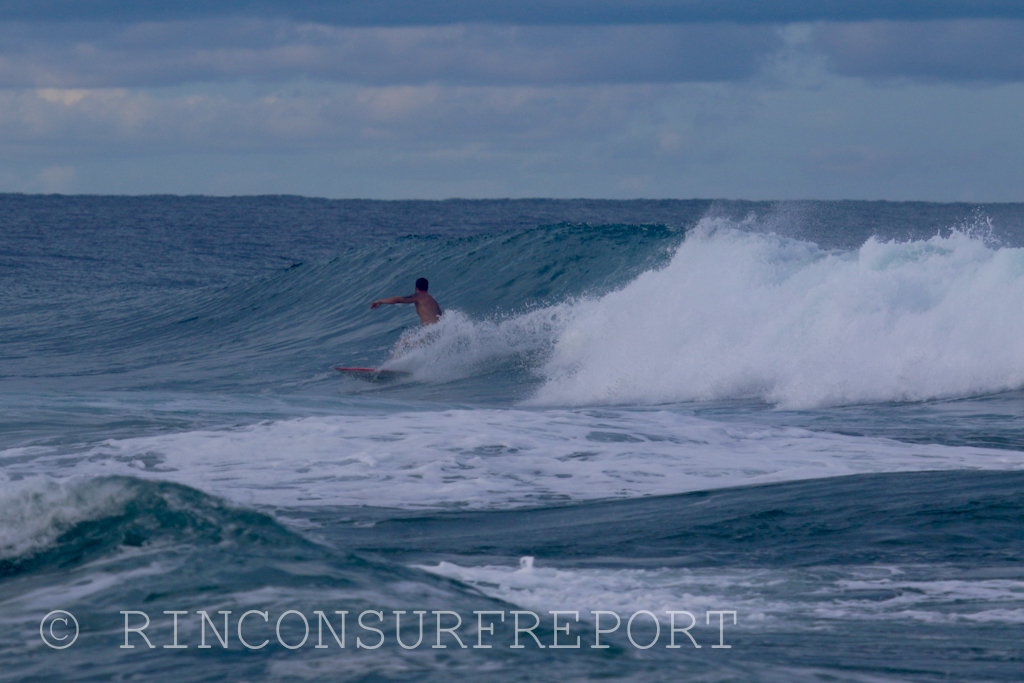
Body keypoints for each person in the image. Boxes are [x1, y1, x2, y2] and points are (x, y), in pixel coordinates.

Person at [370, 278, 443, 326]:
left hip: (430, 331)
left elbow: (398, 299)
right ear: (427, 287)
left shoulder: (418, 296)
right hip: (437, 329)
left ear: (416, 287)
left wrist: (380, 301)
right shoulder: (432, 300)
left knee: (401, 343)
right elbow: (441, 316)